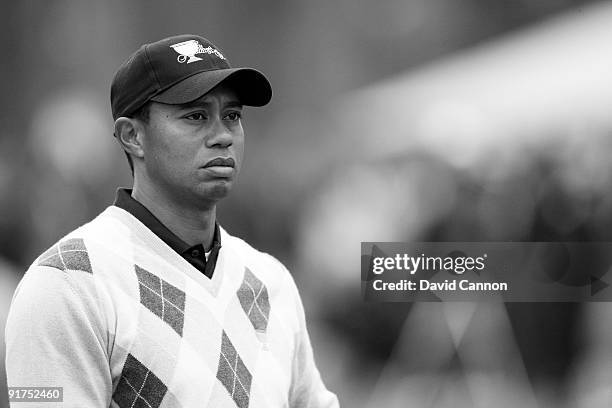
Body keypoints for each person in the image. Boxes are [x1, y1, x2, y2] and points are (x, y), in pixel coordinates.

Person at [5, 34, 339, 408]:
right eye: (196, 116)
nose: (223, 136)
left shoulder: (269, 280)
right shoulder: (67, 282)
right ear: (132, 136)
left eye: (232, 116)